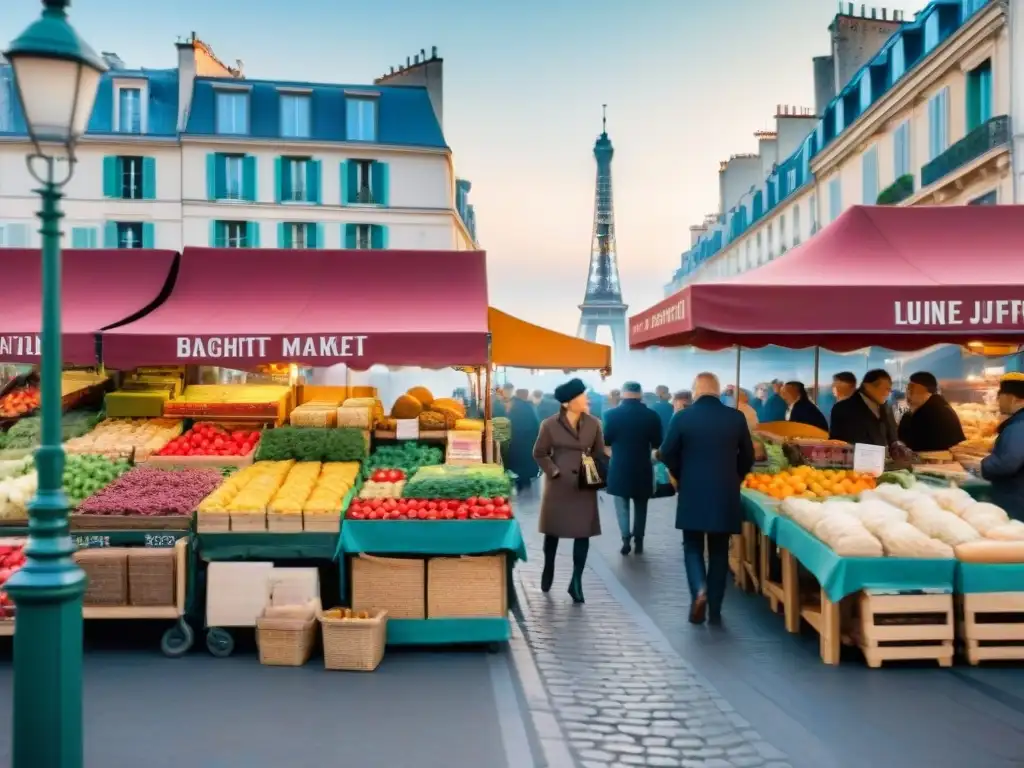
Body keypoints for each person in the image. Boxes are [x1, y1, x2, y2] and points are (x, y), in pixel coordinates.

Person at [659, 372, 754, 625]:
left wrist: (680, 473)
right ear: (718, 390)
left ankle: (699, 591)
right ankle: (715, 608)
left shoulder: (682, 417)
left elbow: (666, 453)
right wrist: (736, 476)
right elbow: (748, 456)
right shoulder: (735, 417)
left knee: (692, 546)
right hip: (725, 492)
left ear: (695, 391)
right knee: (720, 550)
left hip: (692, 491)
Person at [533, 378, 606, 603]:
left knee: (583, 533)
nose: (586, 399)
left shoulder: (594, 423)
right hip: (558, 486)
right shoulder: (550, 424)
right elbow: (539, 453)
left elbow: (599, 453)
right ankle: (548, 567)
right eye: (581, 396)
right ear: (567, 403)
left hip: (584, 485)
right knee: (553, 531)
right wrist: (553, 471)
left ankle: (576, 581)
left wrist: (594, 473)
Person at [603, 382, 663, 555]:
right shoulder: (652, 416)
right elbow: (658, 443)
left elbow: (605, 441)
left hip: (619, 465)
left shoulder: (610, 415)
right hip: (643, 466)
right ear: (641, 394)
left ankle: (625, 539)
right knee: (641, 505)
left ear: (623, 394)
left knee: (621, 505)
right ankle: (639, 540)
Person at [980, 373, 1024, 520]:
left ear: (1012, 398)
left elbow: (1008, 463)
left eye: (1000, 396)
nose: (998, 401)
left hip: (1015, 500)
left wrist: (983, 464)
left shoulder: (1018, 426)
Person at [897, 372, 966, 452]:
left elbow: (914, 444)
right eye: (908, 388)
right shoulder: (937, 406)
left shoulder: (933, 412)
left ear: (925, 390)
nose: (908, 393)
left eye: (911, 388)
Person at [829, 368, 899, 447]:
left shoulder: (887, 408)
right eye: (886, 389)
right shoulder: (842, 409)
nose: (888, 392)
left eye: (889, 389)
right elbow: (837, 444)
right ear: (868, 386)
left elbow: (893, 437)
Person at [507, 389, 541, 491]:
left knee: (519, 463)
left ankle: (520, 480)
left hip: (517, 440)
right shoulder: (529, 407)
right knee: (526, 462)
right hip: (528, 441)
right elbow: (536, 424)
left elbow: (510, 423)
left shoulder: (515, 407)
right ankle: (525, 480)